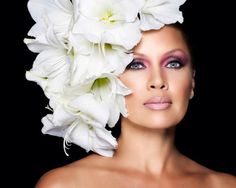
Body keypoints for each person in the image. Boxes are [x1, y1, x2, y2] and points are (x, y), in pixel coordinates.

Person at [24, 0, 236, 187]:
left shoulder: (224, 185)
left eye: (173, 63)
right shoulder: (65, 185)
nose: (158, 82)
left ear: (192, 83)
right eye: (135, 65)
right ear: (105, 75)